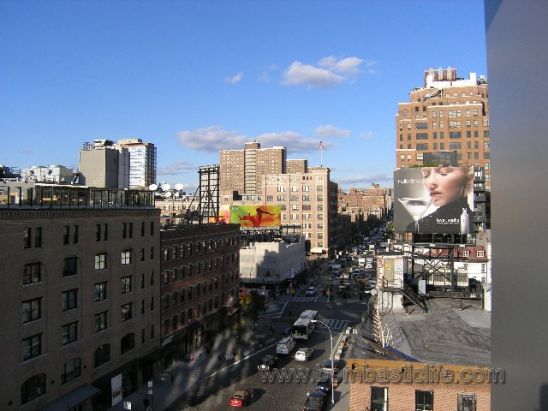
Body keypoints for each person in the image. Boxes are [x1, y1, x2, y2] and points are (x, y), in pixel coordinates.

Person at [406, 166, 474, 234]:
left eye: (444, 172)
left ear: (468, 178)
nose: (430, 183)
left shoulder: (473, 222)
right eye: (426, 174)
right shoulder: (420, 226)